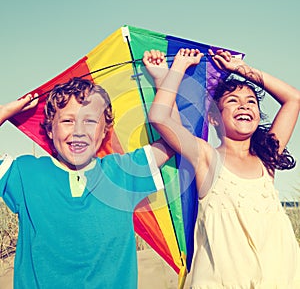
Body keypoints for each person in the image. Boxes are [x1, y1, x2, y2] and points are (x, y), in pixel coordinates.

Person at [144, 48, 300, 288]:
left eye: (251, 102)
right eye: (233, 102)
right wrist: (174, 71)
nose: (245, 106)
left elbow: (294, 99)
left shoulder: (266, 159)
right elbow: (161, 117)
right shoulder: (205, 157)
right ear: (214, 118)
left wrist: (240, 70)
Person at [0, 77, 174, 289]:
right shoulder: (25, 173)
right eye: (67, 121)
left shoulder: (122, 172)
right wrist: (6, 111)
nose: (79, 131)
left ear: (104, 132)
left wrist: (164, 77)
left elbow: (175, 138)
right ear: (49, 130)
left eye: (90, 121)